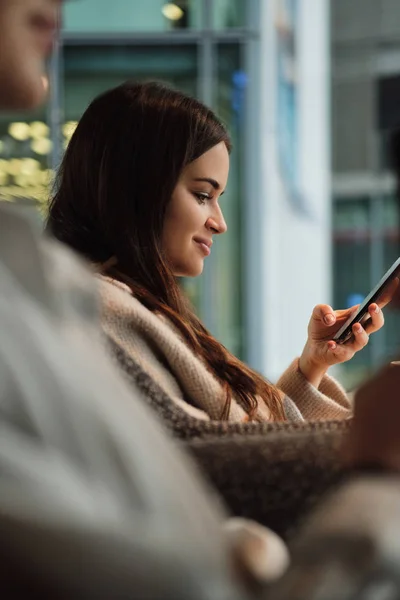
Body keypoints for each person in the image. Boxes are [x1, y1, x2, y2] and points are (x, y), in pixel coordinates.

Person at [47, 80, 391, 428]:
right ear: (138, 189)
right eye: (201, 195)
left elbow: (241, 440)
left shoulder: (134, 305)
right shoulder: (105, 309)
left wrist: (313, 363)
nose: (219, 223)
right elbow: (216, 454)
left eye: (218, 197)